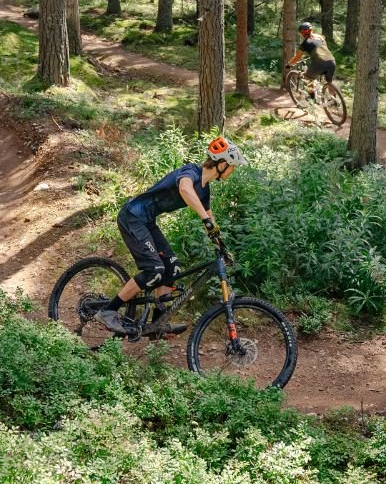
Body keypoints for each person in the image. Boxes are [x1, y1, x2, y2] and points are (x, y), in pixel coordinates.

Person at [95, 136, 248, 336]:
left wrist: (221, 245)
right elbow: (185, 188)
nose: (233, 170)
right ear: (221, 164)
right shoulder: (191, 172)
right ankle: (108, 311)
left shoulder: (204, 190)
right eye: (232, 166)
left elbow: (210, 218)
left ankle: (158, 323)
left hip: (147, 221)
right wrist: (205, 220)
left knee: (172, 267)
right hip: (132, 216)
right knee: (155, 270)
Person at [285, 21, 336, 101]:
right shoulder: (320, 37)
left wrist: (289, 64)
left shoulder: (305, 43)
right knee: (329, 82)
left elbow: (297, 57)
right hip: (331, 61)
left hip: (319, 63)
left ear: (302, 33)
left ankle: (312, 97)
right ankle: (334, 101)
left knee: (307, 78)